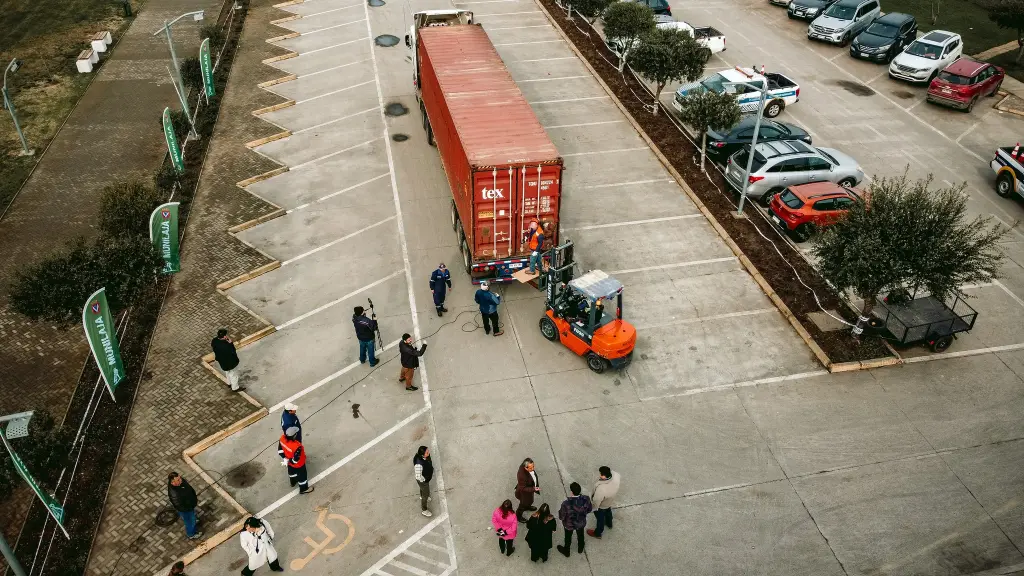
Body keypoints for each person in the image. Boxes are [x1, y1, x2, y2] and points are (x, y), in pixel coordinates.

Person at [556, 482, 592, 558]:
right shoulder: (586, 499)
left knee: (568, 538)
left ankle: (567, 551)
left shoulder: (566, 503)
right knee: (581, 535)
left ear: (571, 492)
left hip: (569, 524)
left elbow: (562, 516)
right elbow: (589, 509)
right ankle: (580, 548)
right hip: (581, 523)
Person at [277, 426, 315, 494]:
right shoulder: (297, 446)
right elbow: (296, 460)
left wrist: (286, 459)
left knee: (291, 473)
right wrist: (291, 461)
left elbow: (280, 451)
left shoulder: (282, 439)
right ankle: (303, 489)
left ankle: (293, 482)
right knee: (302, 477)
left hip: (289, 463)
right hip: (299, 465)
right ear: (293, 436)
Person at [167, 472, 202, 540]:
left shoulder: (180, 481)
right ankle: (191, 534)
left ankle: (193, 519)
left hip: (190, 506)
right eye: (178, 480)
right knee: (190, 522)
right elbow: (179, 506)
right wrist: (189, 508)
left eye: (180, 478)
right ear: (172, 482)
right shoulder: (174, 494)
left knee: (192, 518)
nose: (181, 480)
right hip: (186, 510)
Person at [587, 466, 620, 539]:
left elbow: (596, 502)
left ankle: (598, 533)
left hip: (601, 506)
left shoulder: (601, 489)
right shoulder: (616, 476)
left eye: (600, 474)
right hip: (609, 502)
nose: (599, 475)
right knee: (608, 511)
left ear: (604, 476)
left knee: (600, 519)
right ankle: (609, 523)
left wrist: (593, 508)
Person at [514, 458, 540, 522]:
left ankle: (528, 507)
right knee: (522, 505)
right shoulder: (522, 476)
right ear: (525, 468)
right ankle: (518, 517)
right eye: (530, 468)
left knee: (529, 501)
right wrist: (533, 489)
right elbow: (523, 488)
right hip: (524, 494)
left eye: (533, 466)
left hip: (529, 492)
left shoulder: (527, 468)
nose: (533, 469)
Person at [413, 445, 434, 517]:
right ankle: (424, 509)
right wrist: (425, 480)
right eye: (427, 452)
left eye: (428, 451)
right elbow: (418, 476)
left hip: (425, 479)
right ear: (422, 454)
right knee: (426, 493)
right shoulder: (419, 464)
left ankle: (422, 496)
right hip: (423, 480)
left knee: (422, 489)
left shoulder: (424, 457)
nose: (428, 452)